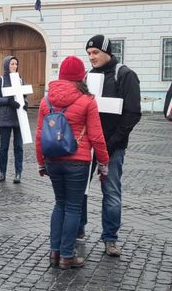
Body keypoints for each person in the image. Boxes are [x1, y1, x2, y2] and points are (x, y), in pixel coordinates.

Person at [35, 56, 109, 269]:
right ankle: (68, 256)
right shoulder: (87, 100)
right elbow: (96, 136)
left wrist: (41, 162)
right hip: (78, 160)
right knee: (73, 207)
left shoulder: (46, 100)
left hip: (53, 160)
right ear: (80, 76)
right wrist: (103, 161)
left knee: (59, 204)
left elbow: (40, 135)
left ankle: (54, 253)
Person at [85, 35, 141, 257]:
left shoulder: (125, 75)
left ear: (107, 51)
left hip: (112, 148)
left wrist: (109, 144)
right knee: (81, 190)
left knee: (111, 193)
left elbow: (132, 113)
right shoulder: (88, 76)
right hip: (87, 147)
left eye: (95, 52)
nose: (92, 57)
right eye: (89, 53)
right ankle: (78, 231)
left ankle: (110, 239)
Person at [0, 56, 27, 183]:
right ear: (7, 65)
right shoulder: (0, 80)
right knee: (4, 147)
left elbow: (23, 97)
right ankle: (2, 173)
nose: (14, 66)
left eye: (16, 64)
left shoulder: (20, 80)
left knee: (18, 147)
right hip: (5, 118)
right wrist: (8, 101)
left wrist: (25, 103)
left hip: (18, 118)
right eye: (12, 64)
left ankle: (18, 173)